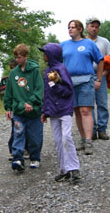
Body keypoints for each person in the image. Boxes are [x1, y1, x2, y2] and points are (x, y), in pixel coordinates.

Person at [61, 20, 104, 155]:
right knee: (77, 111)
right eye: (69, 27)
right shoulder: (63, 45)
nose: (70, 29)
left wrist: (99, 79)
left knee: (86, 110)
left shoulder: (89, 43)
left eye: (73, 27)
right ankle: (82, 139)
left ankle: (89, 141)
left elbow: (100, 59)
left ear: (80, 29)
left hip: (86, 80)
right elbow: (54, 60)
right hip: (69, 82)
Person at [39, 43, 81, 182]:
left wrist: (56, 85)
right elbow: (47, 93)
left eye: (45, 53)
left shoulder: (61, 69)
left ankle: (74, 168)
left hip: (64, 109)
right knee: (57, 140)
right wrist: (44, 110)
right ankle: (64, 169)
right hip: (53, 111)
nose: (43, 56)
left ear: (52, 55)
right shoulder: (48, 71)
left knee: (66, 138)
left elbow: (68, 91)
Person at [4, 44, 44, 171]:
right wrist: (8, 107)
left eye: (19, 57)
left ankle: (35, 157)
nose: (17, 60)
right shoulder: (13, 73)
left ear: (26, 56)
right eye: (15, 57)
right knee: (18, 133)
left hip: (34, 111)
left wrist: (31, 102)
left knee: (34, 136)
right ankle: (17, 159)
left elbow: (39, 89)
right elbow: (9, 92)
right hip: (19, 111)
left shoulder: (35, 71)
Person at [86, 18, 110, 140]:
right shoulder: (82, 41)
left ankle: (102, 129)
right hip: (87, 76)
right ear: (87, 27)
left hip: (101, 75)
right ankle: (91, 130)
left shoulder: (104, 42)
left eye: (96, 27)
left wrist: (103, 74)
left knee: (102, 103)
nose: (94, 28)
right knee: (88, 104)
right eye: (92, 26)